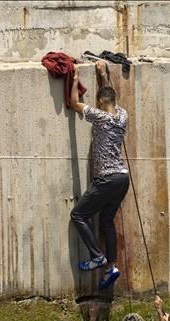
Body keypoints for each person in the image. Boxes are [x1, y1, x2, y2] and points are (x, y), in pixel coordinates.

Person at [69, 60, 130, 290]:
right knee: (106, 221)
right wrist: (103, 74)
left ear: (99, 103)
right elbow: (108, 96)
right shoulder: (122, 115)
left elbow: (75, 103)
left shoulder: (99, 116)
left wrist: (74, 76)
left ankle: (98, 257)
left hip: (106, 178)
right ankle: (111, 266)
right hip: (122, 179)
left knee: (78, 215)